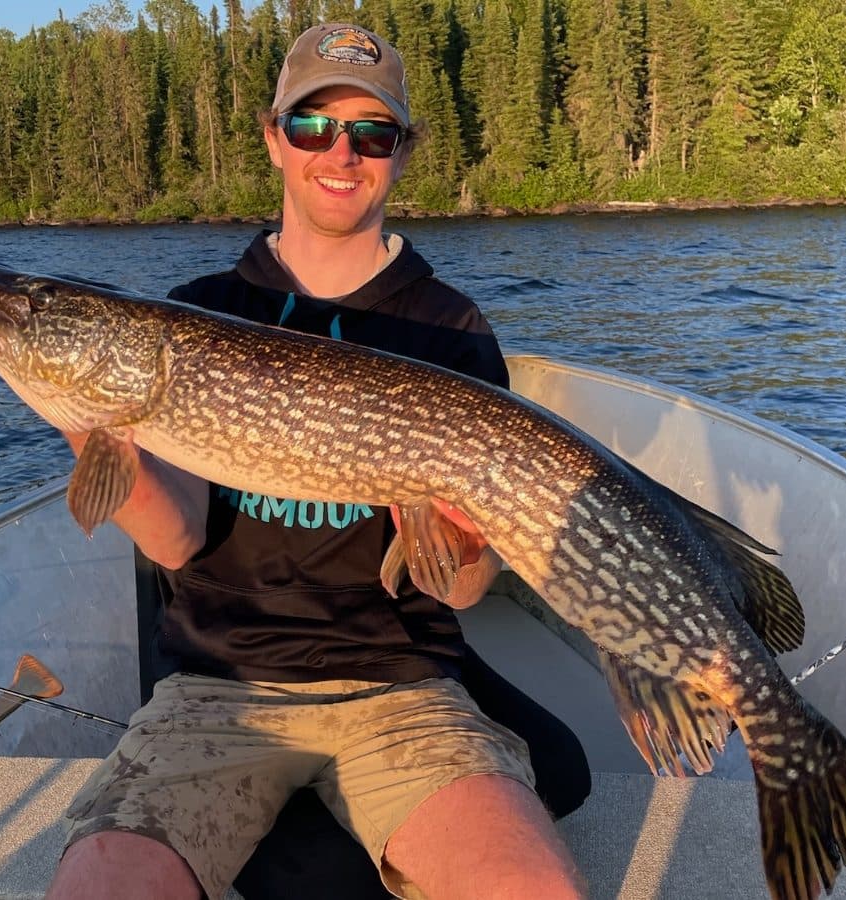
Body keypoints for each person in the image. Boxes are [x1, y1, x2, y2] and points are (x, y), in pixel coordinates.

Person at [47, 23, 589, 900]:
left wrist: (463, 534)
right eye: (313, 126)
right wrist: (93, 432)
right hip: (217, 689)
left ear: (401, 152)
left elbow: (459, 591)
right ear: (274, 138)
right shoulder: (199, 316)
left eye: (372, 132)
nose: (342, 153)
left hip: (402, 688)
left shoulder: (447, 328)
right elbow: (179, 540)